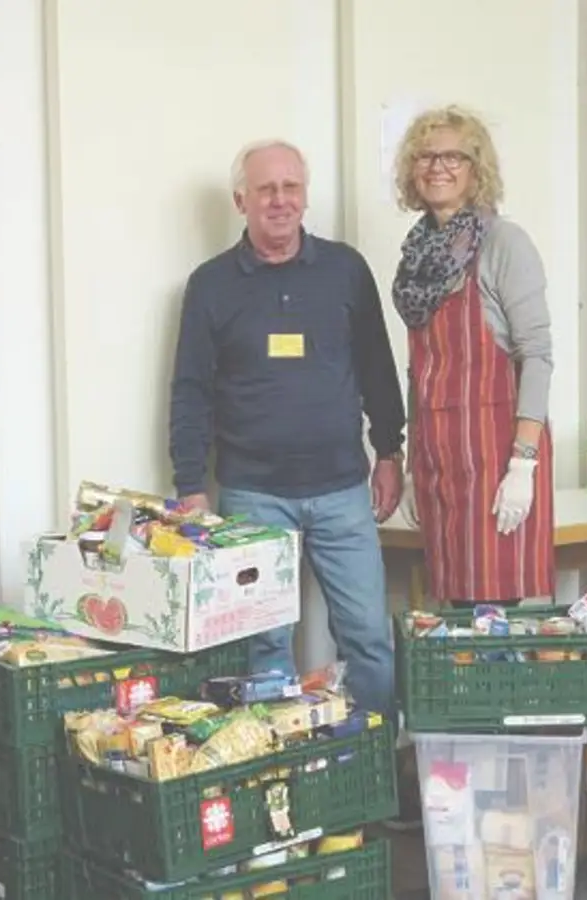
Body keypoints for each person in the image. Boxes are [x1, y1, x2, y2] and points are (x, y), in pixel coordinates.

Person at [167, 139, 405, 715]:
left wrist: (390, 451)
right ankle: (280, 781)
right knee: (264, 648)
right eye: (266, 189)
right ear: (240, 200)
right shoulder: (211, 285)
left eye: (290, 187)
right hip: (253, 497)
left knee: (369, 641)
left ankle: (373, 770)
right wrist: (190, 485)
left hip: (343, 490)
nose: (280, 200)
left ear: (305, 195)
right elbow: (191, 388)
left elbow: (378, 365)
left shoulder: (345, 270)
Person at [391, 106, 556, 606]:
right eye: (425, 155)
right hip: (440, 462)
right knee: (452, 612)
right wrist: (414, 466)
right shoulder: (418, 255)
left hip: (495, 462)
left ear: (475, 169)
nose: (437, 166)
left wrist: (522, 466)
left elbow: (537, 355)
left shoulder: (505, 244)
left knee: (493, 619)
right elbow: (420, 373)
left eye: (453, 156)